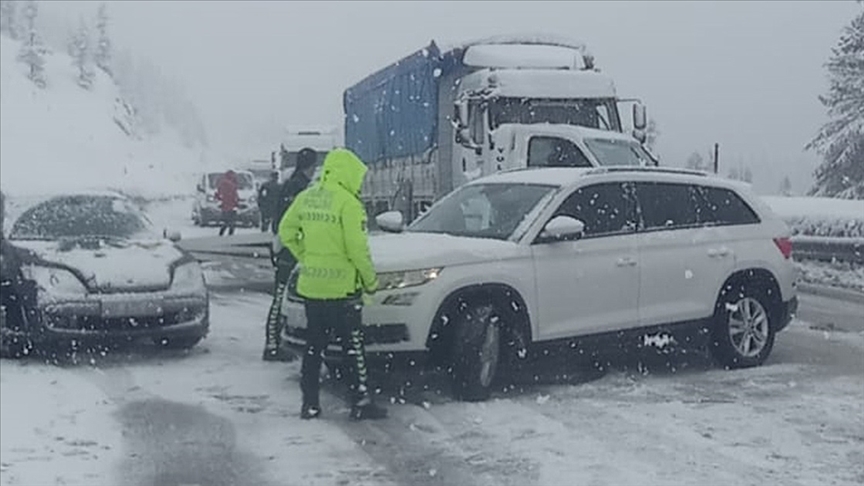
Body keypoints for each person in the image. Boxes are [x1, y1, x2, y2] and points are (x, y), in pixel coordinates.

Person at [279, 148, 387, 421]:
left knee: (313, 349)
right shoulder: (348, 204)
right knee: (352, 348)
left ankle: (310, 404)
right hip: (343, 292)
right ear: (347, 172)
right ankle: (360, 401)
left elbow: (286, 232)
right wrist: (370, 281)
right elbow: (357, 250)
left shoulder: (307, 197)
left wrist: (306, 256)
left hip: (312, 289)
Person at [261, 148, 318, 362]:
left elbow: (279, 220)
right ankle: (272, 345)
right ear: (310, 166)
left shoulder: (291, 185)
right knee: (281, 296)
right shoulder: (300, 189)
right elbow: (289, 222)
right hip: (290, 249)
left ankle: (277, 341)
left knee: (282, 296)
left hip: (286, 247)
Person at [215, 170, 239, 236]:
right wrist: (236, 203)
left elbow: (217, 194)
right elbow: (235, 196)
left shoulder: (222, 183)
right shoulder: (232, 185)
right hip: (232, 206)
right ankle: (230, 236)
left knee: (226, 222)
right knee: (232, 222)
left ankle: (221, 234)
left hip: (225, 206)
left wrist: (220, 199)